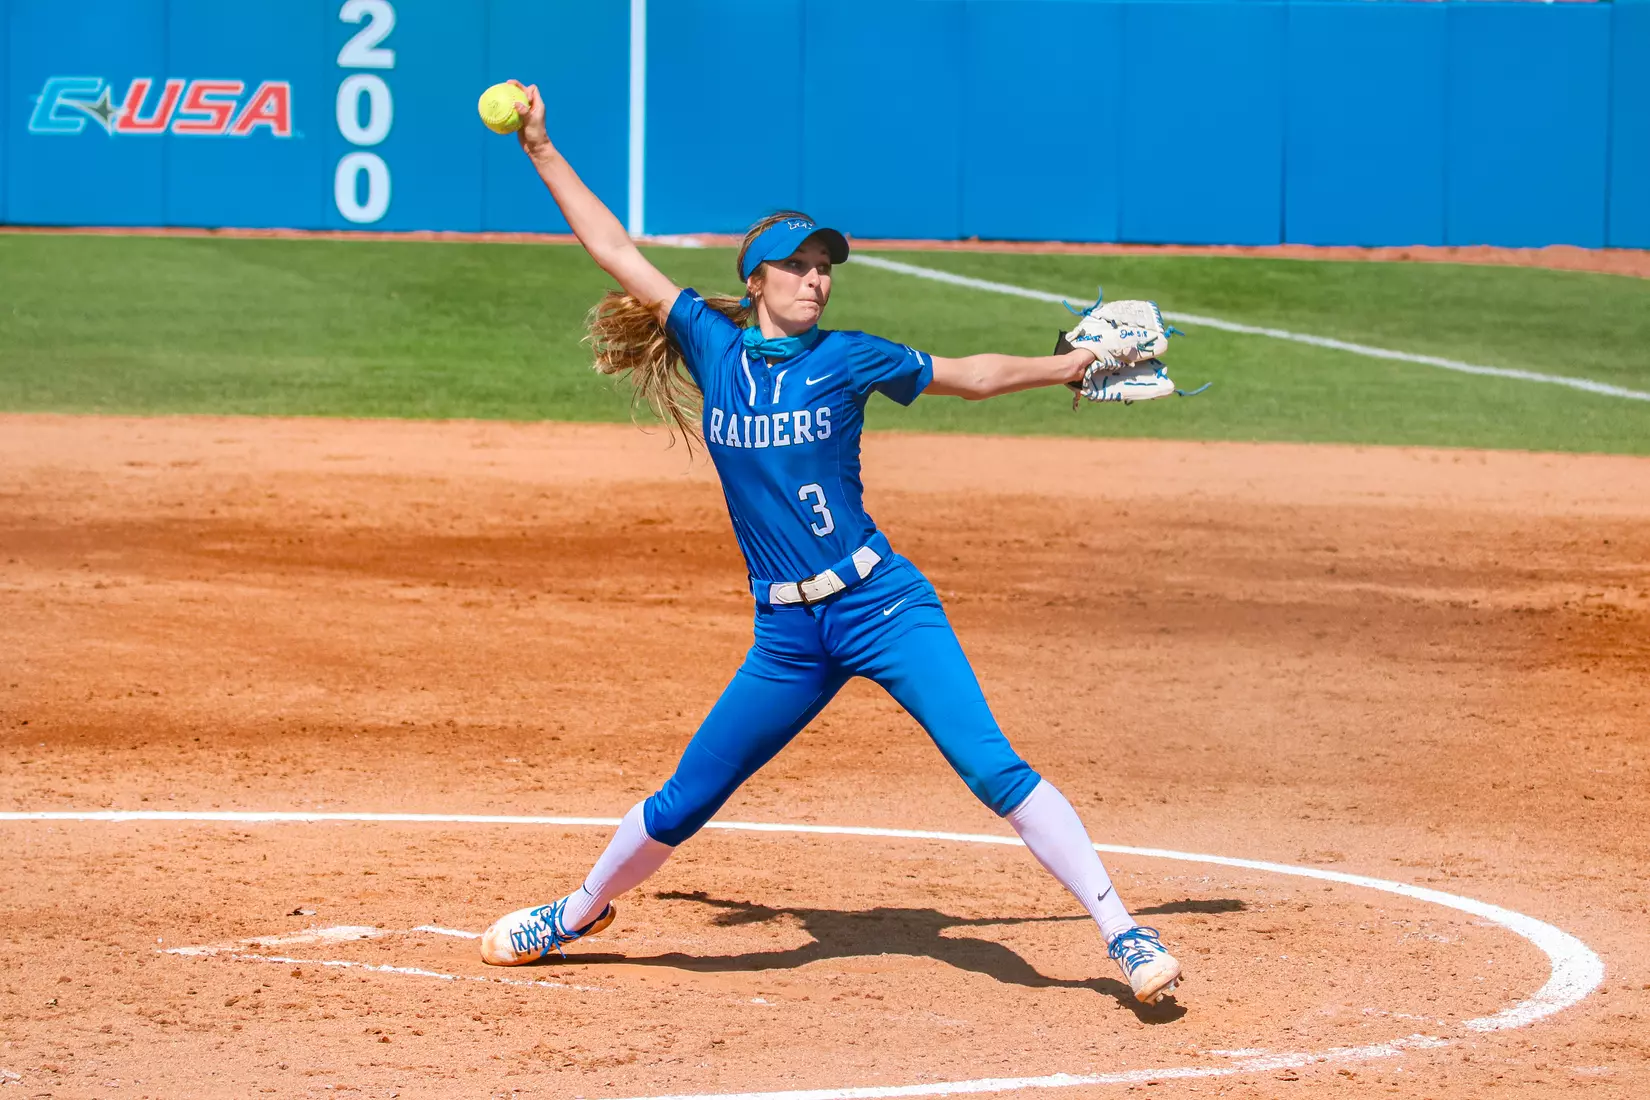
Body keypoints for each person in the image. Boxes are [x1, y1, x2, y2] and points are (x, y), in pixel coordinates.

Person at [479, 81, 1183, 1005]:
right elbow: (613, 248)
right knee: (690, 796)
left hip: (883, 606)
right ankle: (573, 914)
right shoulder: (709, 342)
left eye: (825, 266)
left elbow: (968, 377)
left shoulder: (849, 356)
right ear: (757, 280)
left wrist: (1067, 366)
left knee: (991, 765)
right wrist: (538, 145)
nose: (816, 278)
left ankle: (1124, 934)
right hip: (787, 639)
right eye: (799, 265)